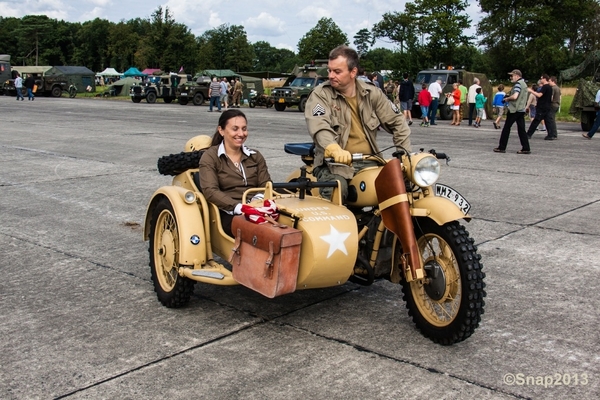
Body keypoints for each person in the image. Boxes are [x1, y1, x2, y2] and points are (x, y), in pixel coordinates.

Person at [305, 45, 411, 201]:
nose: (331, 75)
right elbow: (320, 126)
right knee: (337, 190)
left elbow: (398, 123)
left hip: (371, 162)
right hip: (334, 165)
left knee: (407, 191)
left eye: (337, 71)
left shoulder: (371, 93)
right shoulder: (321, 95)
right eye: (330, 70)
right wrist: (333, 148)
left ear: (353, 72)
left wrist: (404, 157)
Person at [199, 109, 272, 237]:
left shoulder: (255, 156)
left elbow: (266, 184)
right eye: (235, 129)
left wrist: (255, 203)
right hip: (227, 211)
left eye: (244, 129)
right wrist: (239, 208)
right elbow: (210, 191)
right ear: (221, 130)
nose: (241, 133)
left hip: (257, 207)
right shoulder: (210, 157)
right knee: (262, 233)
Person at [494, 69, 530, 154]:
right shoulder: (524, 84)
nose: (511, 77)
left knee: (506, 128)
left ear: (517, 75)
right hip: (521, 109)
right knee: (521, 129)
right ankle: (526, 147)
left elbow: (515, 96)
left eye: (512, 76)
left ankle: (502, 147)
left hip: (514, 109)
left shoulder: (517, 84)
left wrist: (506, 99)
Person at [526, 74, 556, 140]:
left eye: (541, 78)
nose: (540, 79)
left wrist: (531, 91)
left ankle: (528, 134)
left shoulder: (545, 87)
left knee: (536, 121)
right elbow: (551, 98)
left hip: (542, 107)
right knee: (548, 121)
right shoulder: (550, 87)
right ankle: (551, 135)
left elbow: (539, 95)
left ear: (545, 79)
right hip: (547, 107)